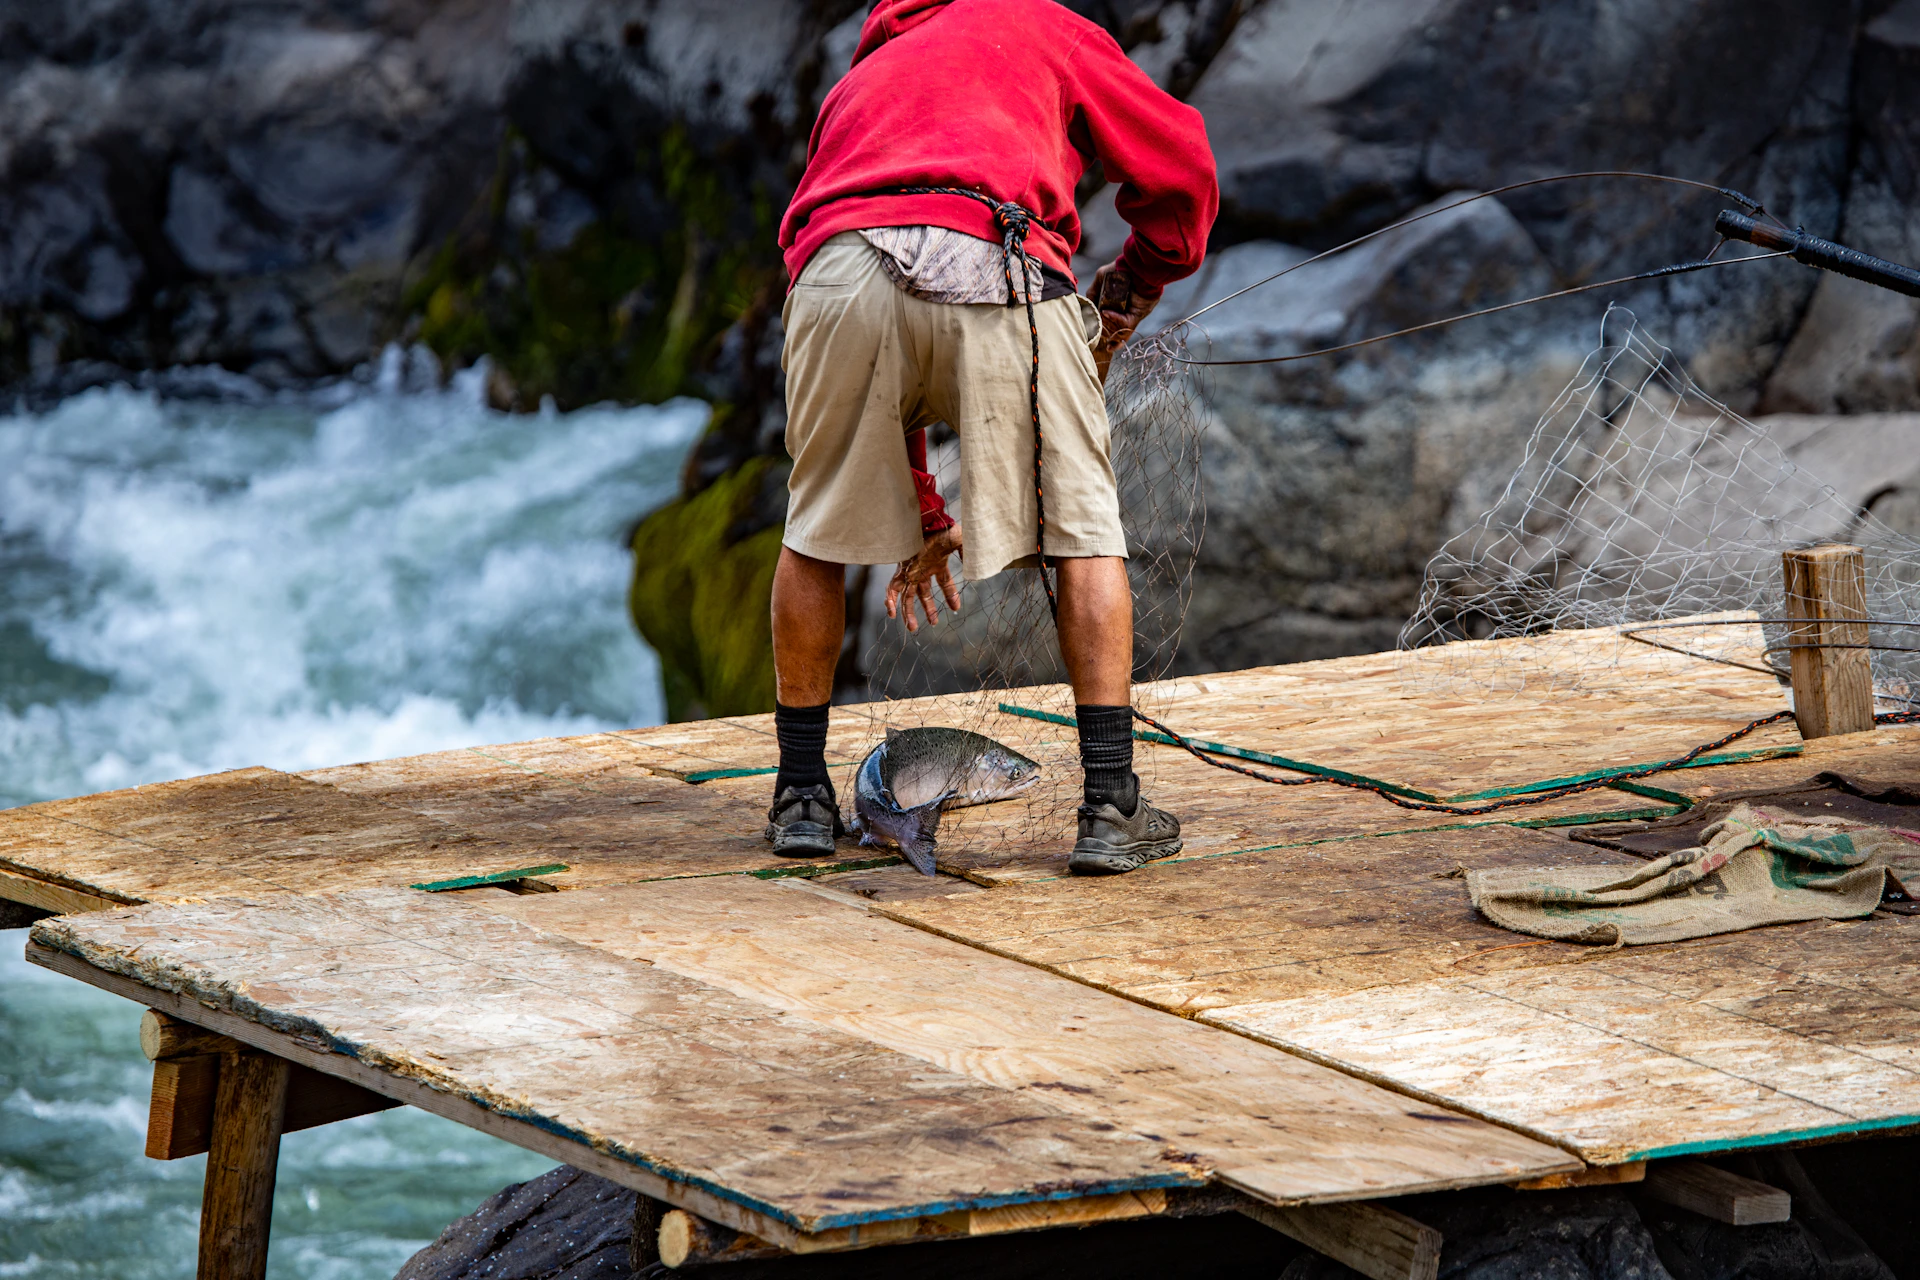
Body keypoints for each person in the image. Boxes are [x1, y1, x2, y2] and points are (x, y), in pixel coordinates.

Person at [765, 0, 1218, 874]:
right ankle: (1110, 806)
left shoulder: (860, 80)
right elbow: (1184, 169)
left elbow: (891, 299)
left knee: (815, 531)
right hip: (999, 256)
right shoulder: (1042, 24)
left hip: (837, 271)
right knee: (1083, 534)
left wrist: (925, 511)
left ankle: (801, 799)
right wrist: (1133, 284)